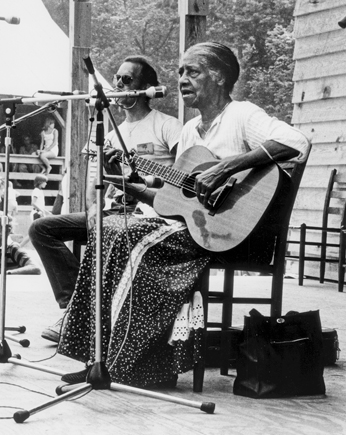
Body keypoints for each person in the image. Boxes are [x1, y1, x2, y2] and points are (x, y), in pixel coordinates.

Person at [57, 42, 310, 388]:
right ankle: (97, 356)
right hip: (195, 231)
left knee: (130, 237)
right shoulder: (191, 130)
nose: (182, 79)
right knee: (111, 227)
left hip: (236, 235)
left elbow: (296, 142)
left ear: (220, 77)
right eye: (179, 72)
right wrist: (121, 179)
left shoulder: (243, 115)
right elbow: (171, 201)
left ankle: (131, 364)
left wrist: (224, 169)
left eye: (193, 71)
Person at [28, 55, 182, 343]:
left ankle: (83, 317)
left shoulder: (167, 125)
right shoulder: (110, 135)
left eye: (128, 79)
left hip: (151, 213)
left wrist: (139, 181)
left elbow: (184, 173)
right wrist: (95, 208)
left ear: (146, 87)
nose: (119, 84)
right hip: (113, 210)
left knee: (108, 230)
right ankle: (76, 308)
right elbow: (93, 186)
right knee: (41, 228)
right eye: (117, 78)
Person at [20, 174, 51, 247]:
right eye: (44, 182)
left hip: (40, 212)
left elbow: (40, 205)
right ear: (40, 182)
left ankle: (20, 246)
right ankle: (19, 246)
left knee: (36, 233)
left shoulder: (40, 191)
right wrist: (42, 211)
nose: (46, 183)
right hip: (36, 213)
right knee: (34, 233)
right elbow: (33, 203)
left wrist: (48, 212)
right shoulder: (36, 191)